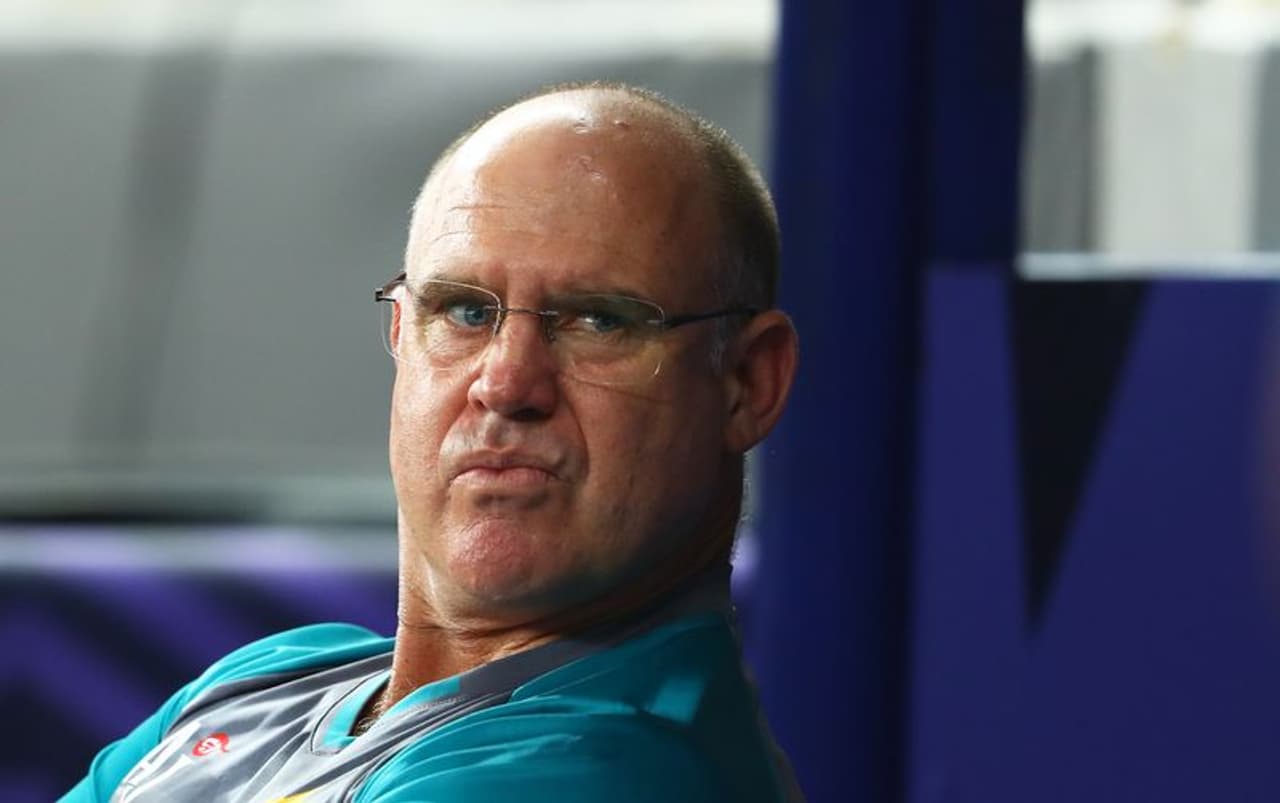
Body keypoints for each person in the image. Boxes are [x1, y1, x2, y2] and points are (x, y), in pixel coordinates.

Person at [63, 80, 801, 802]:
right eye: (465, 311)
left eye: (599, 320)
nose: (506, 383)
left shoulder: (606, 768)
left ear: (747, 382)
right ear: (401, 334)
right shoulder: (266, 683)